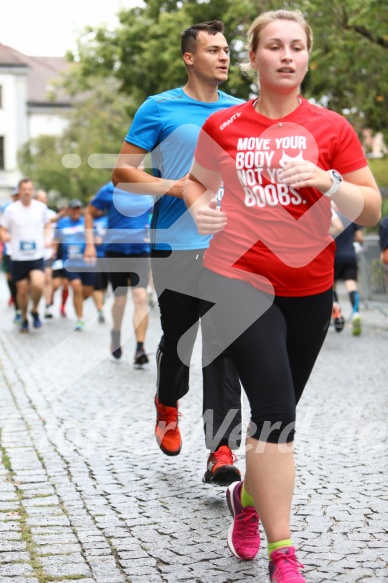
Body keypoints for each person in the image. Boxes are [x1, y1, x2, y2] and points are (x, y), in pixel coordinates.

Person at [183, 9, 381, 581]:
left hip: (311, 289)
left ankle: (246, 501)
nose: (287, 55)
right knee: (274, 415)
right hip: (239, 279)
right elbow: (198, 183)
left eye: (298, 46)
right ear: (254, 57)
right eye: (275, 46)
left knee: (279, 414)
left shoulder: (332, 129)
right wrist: (198, 203)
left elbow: (371, 206)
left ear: (307, 56)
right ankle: (283, 552)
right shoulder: (224, 128)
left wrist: (329, 182)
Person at [112, 20, 243, 485]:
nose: (224, 56)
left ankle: (222, 448)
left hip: (229, 246)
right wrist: (175, 186)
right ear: (190, 57)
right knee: (180, 341)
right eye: (213, 50)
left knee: (224, 345)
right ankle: (168, 403)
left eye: (227, 49)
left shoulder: (242, 111)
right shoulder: (160, 108)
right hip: (174, 245)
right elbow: (122, 174)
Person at [84, 181, 153, 366]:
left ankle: (140, 348)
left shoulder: (149, 187)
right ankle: (116, 332)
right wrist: (90, 244)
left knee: (140, 298)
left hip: (141, 251)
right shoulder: (110, 189)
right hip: (116, 251)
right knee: (120, 301)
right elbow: (89, 214)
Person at [0, 178, 51, 333]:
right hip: (18, 256)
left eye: (29, 189)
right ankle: (24, 317)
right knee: (21, 291)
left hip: (36, 255)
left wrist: (47, 237)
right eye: (24, 189)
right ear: (20, 191)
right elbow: (2, 228)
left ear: (33, 191)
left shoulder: (41, 207)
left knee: (37, 285)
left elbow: (47, 224)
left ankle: (34, 310)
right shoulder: (11, 209)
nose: (27, 192)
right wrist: (4, 236)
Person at [54, 199, 95, 331]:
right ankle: (80, 319)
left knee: (87, 292)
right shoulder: (62, 223)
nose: (76, 211)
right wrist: (53, 253)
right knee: (76, 287)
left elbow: (95, 237)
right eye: (74, 209)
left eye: (78, 208)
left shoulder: (86, 221)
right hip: (70, 261)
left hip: (87, 261)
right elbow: (56, 239)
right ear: (69, 210)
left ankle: (78, 303)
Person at [331, 203, 364, 335]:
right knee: (351, 286)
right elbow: (360, 237)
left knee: (331, 288)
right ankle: (356, 313)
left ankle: (337, 314)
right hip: (350, 256)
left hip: (334, 257)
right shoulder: (352, 218)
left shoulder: (330, 217)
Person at [35, 189, 57, 319]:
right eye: (39, 198)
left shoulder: (51, 214)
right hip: (34, 253)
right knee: (37, 282)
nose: (42, 200)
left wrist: (54, 246)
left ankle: (47, 305)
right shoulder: (31, 213)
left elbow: (56, 233)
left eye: (44, 198)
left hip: (48, 252)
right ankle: (35, 306)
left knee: (48, 277)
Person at [0, 187, 21, 323]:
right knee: (10, 277)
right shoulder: (6, 208)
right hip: (9, 249)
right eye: (14, 195)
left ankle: (22, 302)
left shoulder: (31, 208)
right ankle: (16, 304)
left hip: (26, 252)